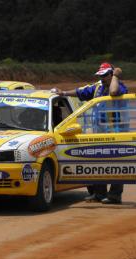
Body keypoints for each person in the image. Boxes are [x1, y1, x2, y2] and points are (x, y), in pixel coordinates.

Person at [53, 62, 128, 204]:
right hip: (99, 131)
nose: (103, 78)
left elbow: (113, 92)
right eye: (101, 75)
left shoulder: (119, 85)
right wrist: (63, 93)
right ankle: (99, 194)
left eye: (106, 75)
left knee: (116, 163)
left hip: (116, 131)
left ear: (112, 74)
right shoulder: (98, 87)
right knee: (97, 162)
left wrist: (116, 77)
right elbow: (80, 92)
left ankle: (115, 196)